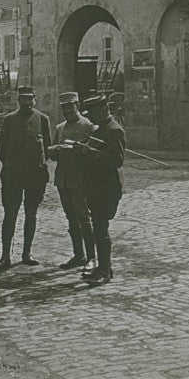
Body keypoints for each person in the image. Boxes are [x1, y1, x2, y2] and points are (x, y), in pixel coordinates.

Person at [0, 86, 52, 270]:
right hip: (13, 175)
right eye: (23, 99)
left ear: (35, 99)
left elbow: (47, 147)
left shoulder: (43, 119)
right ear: (18, 100)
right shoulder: (9, 119)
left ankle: (27, 253)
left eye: (30, 99)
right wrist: (11, 165)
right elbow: (2, 148)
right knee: (10, 215)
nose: (27, 103)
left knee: (31, 214)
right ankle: (5, 256)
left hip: (35, 176)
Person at [73, 94, 125, 284]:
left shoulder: (114, 130)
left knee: (101, 230)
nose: (90, 116)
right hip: (94, 186)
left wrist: (90, 151)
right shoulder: (99, 129)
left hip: (106, 188)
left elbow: (117, 160)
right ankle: (103, 268)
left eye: (93, 112)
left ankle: (104, 271)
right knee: (98, 228)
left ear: (104, 109)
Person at [47, 92, 97, 272]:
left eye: (70, 106)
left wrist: (77, 150)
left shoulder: (88, 126)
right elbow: (53, 154)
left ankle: (91, 258)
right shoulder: (60, 127)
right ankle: (78, 255)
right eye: (64, 107)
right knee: (71, 218)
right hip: (63, 179)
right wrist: (55, 151)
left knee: (84, 218)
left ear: (77, 105)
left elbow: (93, 154)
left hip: (80, 179)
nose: (67, 110)